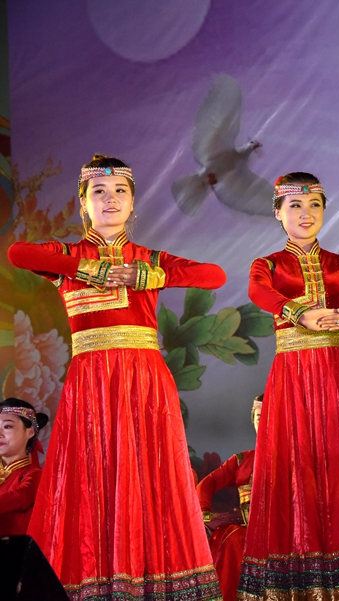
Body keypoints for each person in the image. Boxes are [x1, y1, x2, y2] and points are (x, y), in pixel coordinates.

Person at [7, 155, 225, 599]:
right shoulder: (68, 257)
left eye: (120, 191)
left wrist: (152, 275)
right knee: (92, 480)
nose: (110, 200)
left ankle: (152, 584)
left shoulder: (148, 259)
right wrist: (90, 270)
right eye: (99, 192)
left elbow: (214, 275)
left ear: (133, 203)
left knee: (150, 479)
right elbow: (17, 253)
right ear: (83, 204)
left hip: (145, 381)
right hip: (91, 383)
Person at [239, 173, 339, 601]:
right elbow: (258, 292)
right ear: (278, 213)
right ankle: (299, 583)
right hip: (293, 373)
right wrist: (296, 313)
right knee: (296, 467)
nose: (306, 214)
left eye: (314, 205)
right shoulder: (268, 265)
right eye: (295, 205)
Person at [197, 395, 263, 601]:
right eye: (259, 417)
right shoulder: (242, 460)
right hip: (245, 533)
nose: (263, 423)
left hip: (284, 534)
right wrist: (207, 516)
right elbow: (206, 484)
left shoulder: (293, 459)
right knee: (231, 539)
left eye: (270, 417)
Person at [0, 398, 48, 537]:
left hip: (14, 549)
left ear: (30, 432)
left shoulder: (35, 475)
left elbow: (19, 498)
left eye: (7, 426)